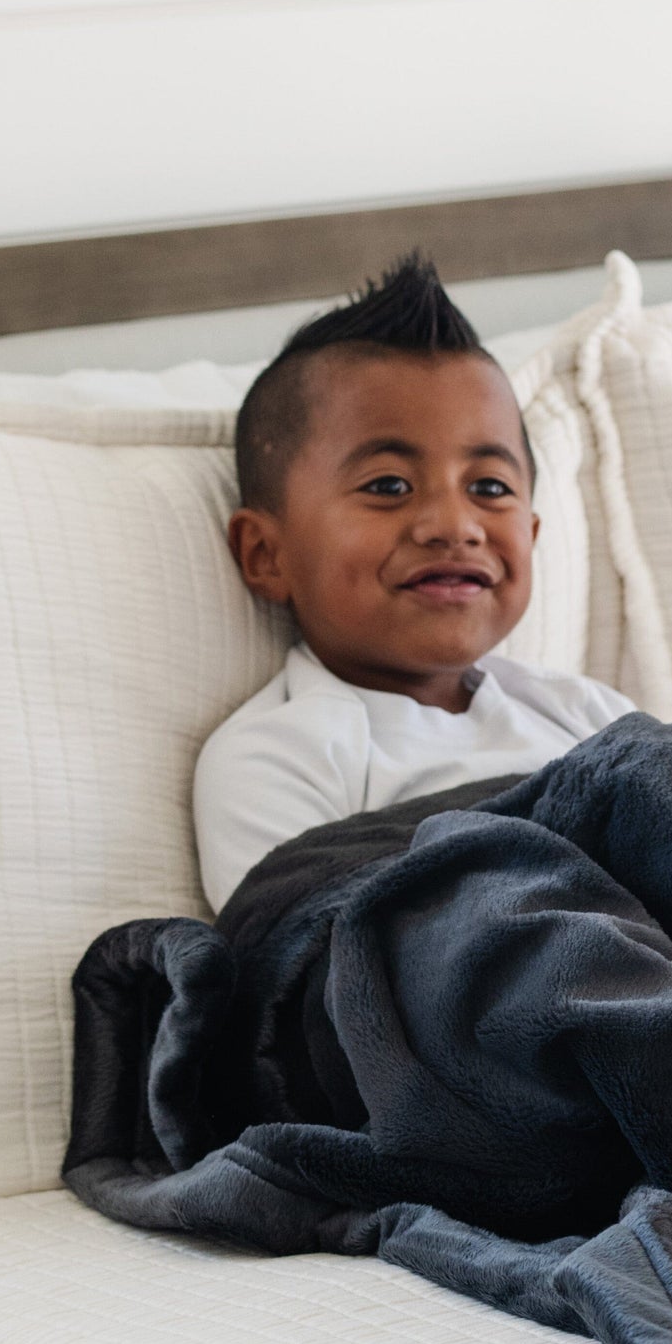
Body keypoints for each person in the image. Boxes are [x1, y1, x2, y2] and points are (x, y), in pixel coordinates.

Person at [193, 254, 633, 912]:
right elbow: (309, 965)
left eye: (488, 487)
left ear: (533, 536)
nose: (454, 526)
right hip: (524, 990)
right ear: (267, 555)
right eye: (389, 486)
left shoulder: (590, 716)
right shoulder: (279, 755)